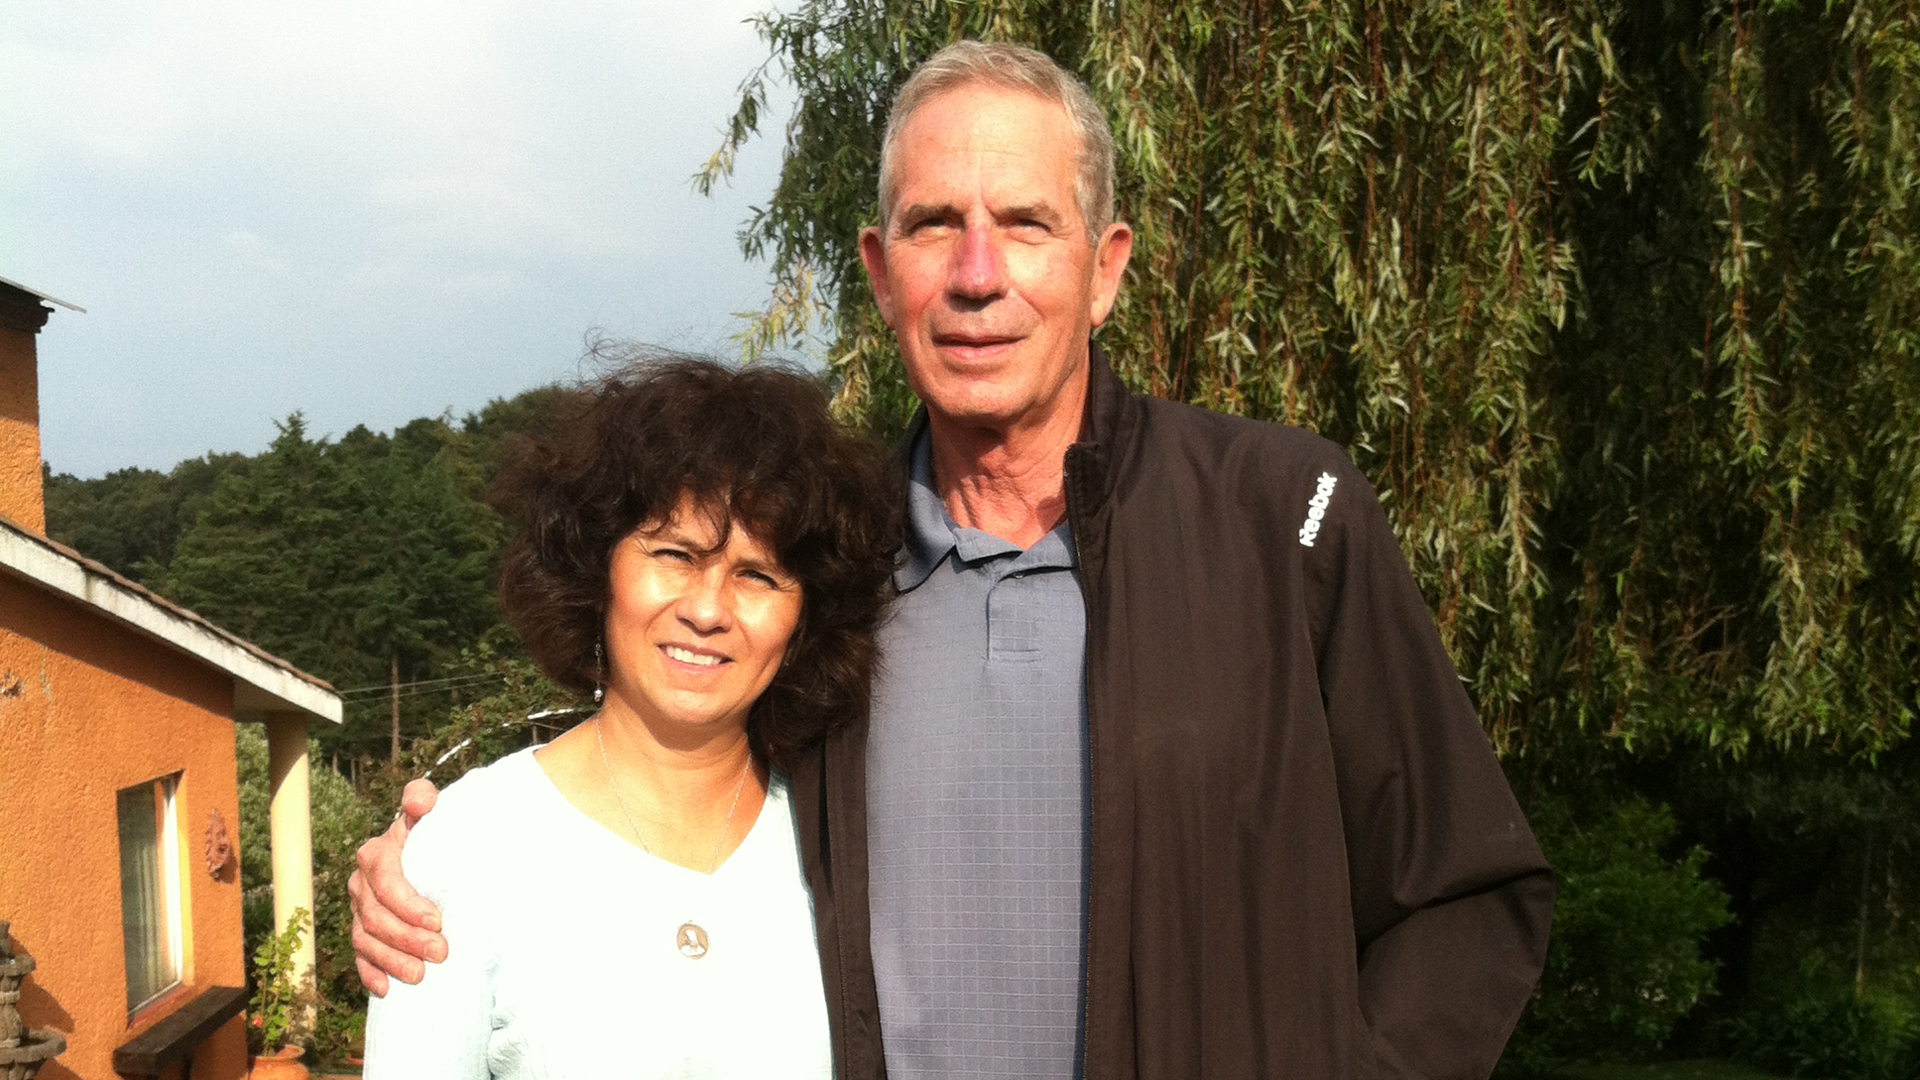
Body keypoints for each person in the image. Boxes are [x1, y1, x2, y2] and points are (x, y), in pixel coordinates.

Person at [353, 42, 1555, 1080]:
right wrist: (444, 855)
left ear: (1109, 266)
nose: (978, 276)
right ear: (881, 274)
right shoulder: (824, 568)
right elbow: (661, 769)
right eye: (937, 226)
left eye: (1027, 223)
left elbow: (1463, 891)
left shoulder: (1283, 514)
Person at [359, 358, 897, 1079]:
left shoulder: (846, 842)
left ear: (806, 617)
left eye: (758, 575)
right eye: (674, 555)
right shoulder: (464, 851)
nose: (707, 611)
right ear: (595, 570)